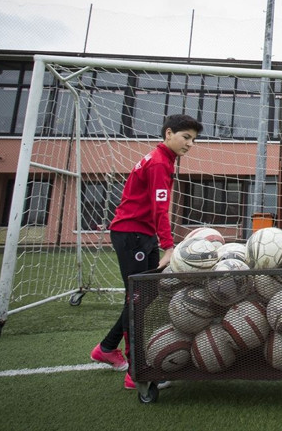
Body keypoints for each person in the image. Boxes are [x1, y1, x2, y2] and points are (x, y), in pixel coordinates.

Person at [90, 114, 202, 390]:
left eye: (193, 140)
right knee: (139, 299)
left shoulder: (163, 159)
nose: (190, 144)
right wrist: (167, 246)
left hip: (142, 235)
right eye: (185, 137)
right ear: (168, 134)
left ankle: (106, 348)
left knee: (142, 297)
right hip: (133, 236)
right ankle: (137, 372)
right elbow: (159, 209)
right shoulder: (159, 163)